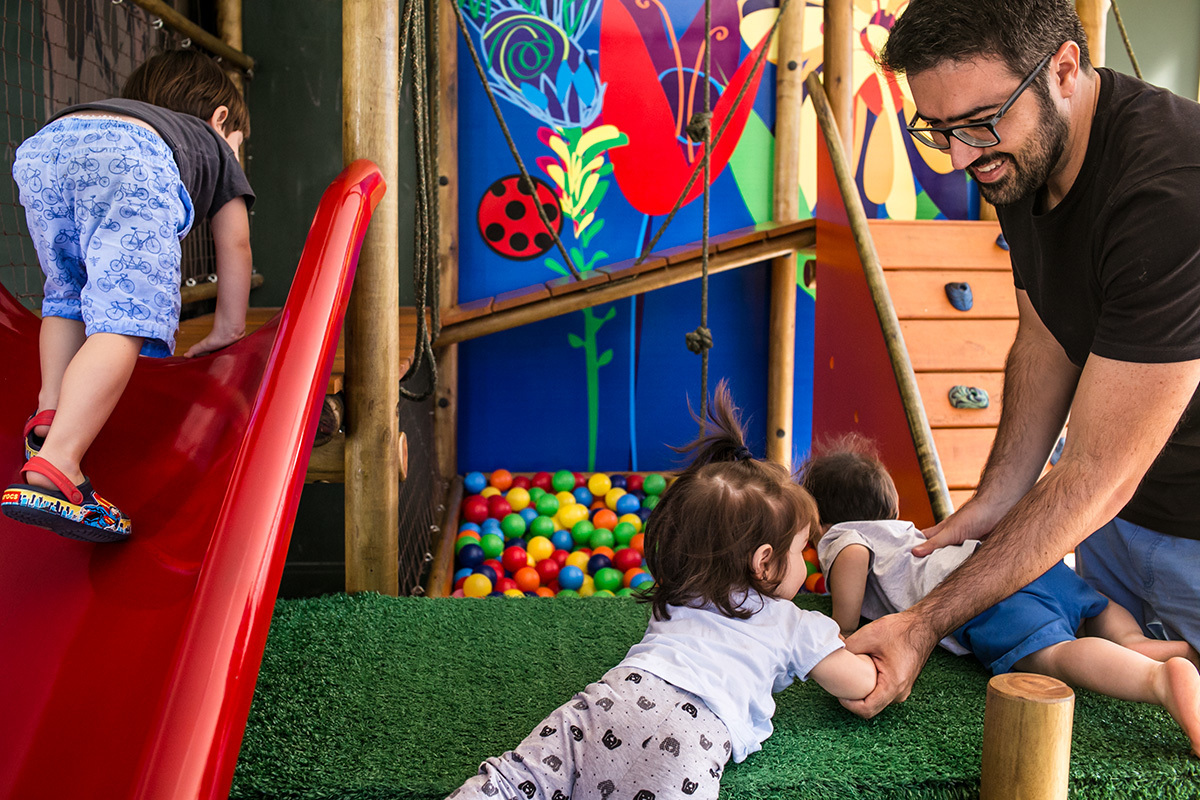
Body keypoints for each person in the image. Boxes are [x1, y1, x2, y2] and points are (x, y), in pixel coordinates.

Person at [837, 0, 1200, 720]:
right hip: (1118, 528)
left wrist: (923, 621)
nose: (962, 157)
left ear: (1064, 68)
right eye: (939, 130)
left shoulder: (1172, 192)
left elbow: (1099, 471)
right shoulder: (1022, 155)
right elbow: (1043, 337)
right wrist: (998, 499)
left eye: (978, 122)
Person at [445, 382, 877, 800]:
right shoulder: (793, 624)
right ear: (764, 563)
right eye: (802, 550)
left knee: (515, 780)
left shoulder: (681, 589)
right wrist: (866, 656)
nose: (808, 562)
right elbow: (857, 683)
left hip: (613, 697)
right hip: (687, 739)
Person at [801, 435, 1200, 756]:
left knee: (1053, 654)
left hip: (981, 592)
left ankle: (1157, 679)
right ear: (892, 507)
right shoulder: (903, 532)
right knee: (1097, 608)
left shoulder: (841, 534)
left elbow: (852, 555)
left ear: (820, 523)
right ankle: (1137, 643)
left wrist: (842, 624)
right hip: (1021, 561)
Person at [1, 49, 254, 543]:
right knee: (125, 316)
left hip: (45, 148)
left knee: (68, 293)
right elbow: (236, 244)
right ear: (221, 118)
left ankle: (50, 414)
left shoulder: (129, 115)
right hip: (126, 159)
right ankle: (59, 465)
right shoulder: (213, 145)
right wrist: (229, 329)